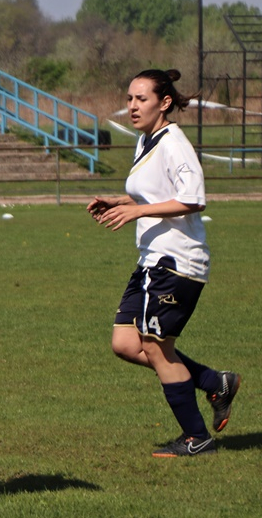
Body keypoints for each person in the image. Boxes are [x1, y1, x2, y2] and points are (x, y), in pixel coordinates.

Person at [87, 68, 241, 458]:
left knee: (156, 346)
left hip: (176, 262)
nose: (133, 106)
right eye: (129, 99)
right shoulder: (146, 140)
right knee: (125, 343)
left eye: (141, 99)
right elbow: (156, 193)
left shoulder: (173, 142)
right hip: (151, 260)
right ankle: (212, 380)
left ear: (164, 102)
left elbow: (193, 198)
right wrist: (121, 202)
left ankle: (196, 437)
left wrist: (138, 211)